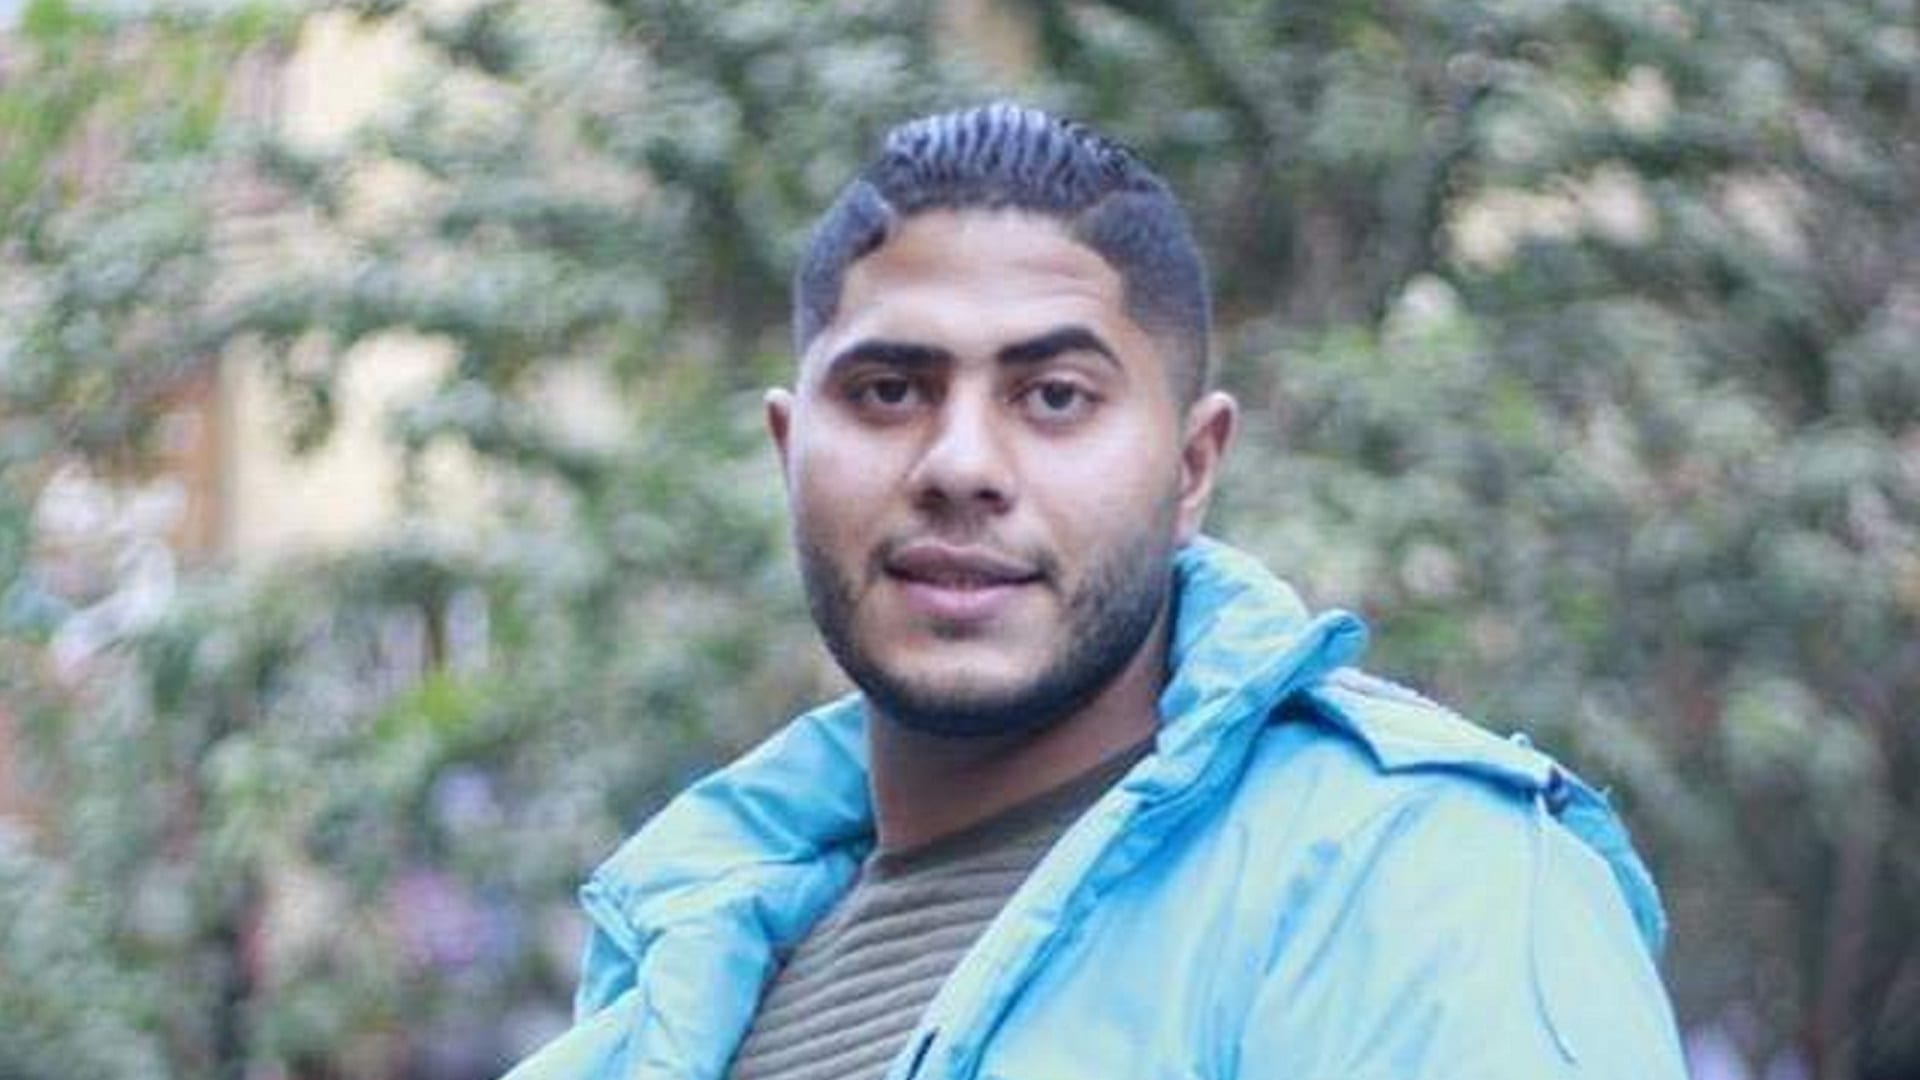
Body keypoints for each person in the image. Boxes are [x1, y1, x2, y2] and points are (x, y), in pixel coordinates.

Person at [504, 102, 1688, 1080]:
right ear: (789, 450)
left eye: (1055, 396)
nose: (959, 466)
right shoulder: (674, 971)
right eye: (888, 392)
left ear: (1192, 468)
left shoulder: (1418, 886)